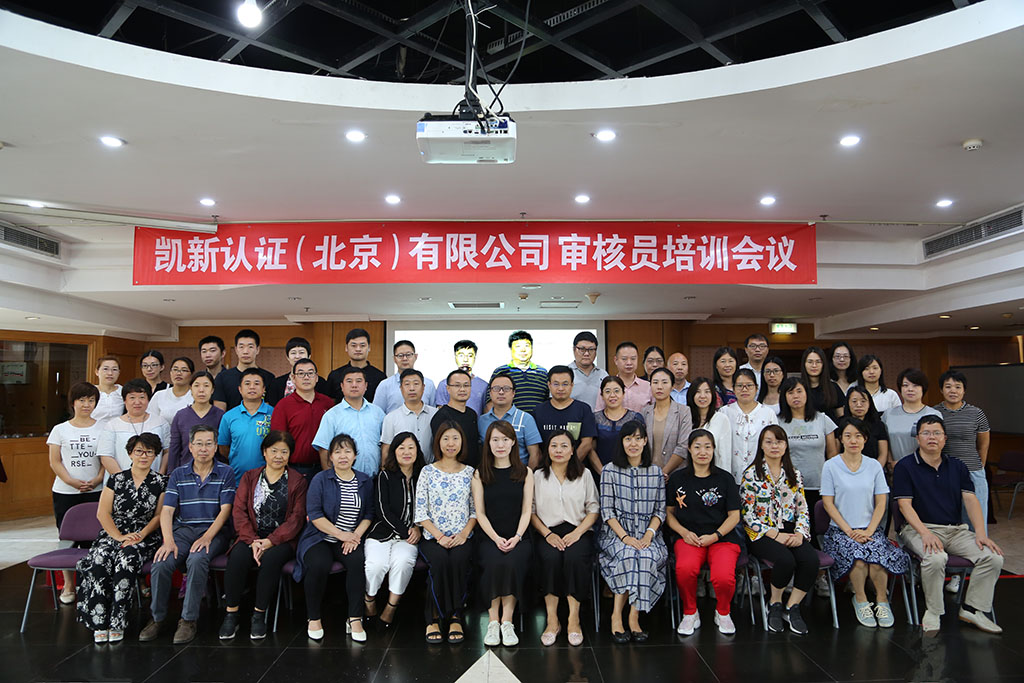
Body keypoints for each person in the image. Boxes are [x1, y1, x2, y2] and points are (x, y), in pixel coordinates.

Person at [893, 415, 1003, 634]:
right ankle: (934, 611)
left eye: (937, 433)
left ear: (944, 438)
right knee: (936, 558)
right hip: (918, 529)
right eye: (926, 433)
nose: (931, 437)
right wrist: (924, 533)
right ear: (918, 438)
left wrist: (980, 533)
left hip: (955, 530)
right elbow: (904, 505)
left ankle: (972, 609)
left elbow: (970, 500)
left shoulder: (957, 466)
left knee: (993, 557)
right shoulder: (905, 466)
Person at [140, 425, 235, 645]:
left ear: (215, 447)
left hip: (214, 532)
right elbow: (167, 511)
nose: (204, 448)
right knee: (162, 562)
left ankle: (188, 620)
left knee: (197, 558)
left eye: (209, 444)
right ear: (190, 447)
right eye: (199, 444)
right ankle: (157, 618)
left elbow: (225, 511)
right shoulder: (178, 474)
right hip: (183, 531)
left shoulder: (226, 472)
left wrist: (207, 537)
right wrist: (168, 541)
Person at [76, 433, 166, 643]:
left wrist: (140, 535)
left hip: (144, 535)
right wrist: (118, 536)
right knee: (100, 559)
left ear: (155, 455)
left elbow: (159, 516)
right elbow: (103, 513)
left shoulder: (161, 481)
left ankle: (117, 621)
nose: (144, 456)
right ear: (130, 454)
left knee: (126, 560)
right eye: (139, 451)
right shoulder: (116, 479)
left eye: (149, 452)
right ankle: (99, 621)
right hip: (114, 533)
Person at [219, 431, 308, 641]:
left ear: (290, 455)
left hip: (282, 539)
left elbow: (296, 518)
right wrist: (253, 541)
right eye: (274, 451)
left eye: (284, 452)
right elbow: (239, 511)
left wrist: (270, 541)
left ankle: (259, 614)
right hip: (251, 536)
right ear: (264, 452)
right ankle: (231, 614)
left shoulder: (298, 481)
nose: (278, 456)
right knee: (238, 557)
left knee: (271, 559)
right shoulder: (250, 477)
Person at [821, 418, 908, 628]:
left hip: (871, 530)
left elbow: (881, 503)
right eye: (848, 436)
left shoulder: (873, 466)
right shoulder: (830, 466)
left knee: (877, 558)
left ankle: (882, 601)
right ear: (841, 439)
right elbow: (828, 504)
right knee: (858, 559)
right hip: (840, 531)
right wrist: (849, 531)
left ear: (865, 439)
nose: (853, 440)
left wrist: (869, 530)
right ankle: (860, 599)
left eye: (858, 436)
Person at [294, 434, 374, 642]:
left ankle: (355, 618)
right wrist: (340, 534)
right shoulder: (320, 479)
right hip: (320, 537)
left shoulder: (364, 481)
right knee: (318, 564)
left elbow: (369, 514)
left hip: (350, 539)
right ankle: (314, 618)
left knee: (357, 562)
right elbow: (314, 514)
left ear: (355, 456)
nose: (343, 456)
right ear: (330, 457)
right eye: (338, 452)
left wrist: (354, 536)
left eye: (347, 451)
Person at [741, 425, 818, 635]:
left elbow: (803, 508)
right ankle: (774, 603)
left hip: (790, 529)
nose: (774, 446)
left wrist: (800, 533)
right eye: (769, 442)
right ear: (761, 446)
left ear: (786, 445)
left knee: (810, 560)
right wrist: (775, 535)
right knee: (785, 560)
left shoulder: (794, 474)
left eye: (779, 442)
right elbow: (747, 514)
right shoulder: (751, 474)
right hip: (761, 532)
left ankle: (792, 606)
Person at [667, 429, 743, 636]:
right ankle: (690, 612)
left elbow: (734, 516)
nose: (703, 452)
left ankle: (723, 612)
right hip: (689, 537)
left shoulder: (725, 479)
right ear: (689, 449)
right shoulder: (677, 479)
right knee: (685, 569)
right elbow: (669, 514)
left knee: (723, 576)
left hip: (722, 538)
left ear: (714, 450)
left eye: (708, 447)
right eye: (697, 447)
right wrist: (684, 532)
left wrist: (716, 535)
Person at [598, 420, 667, 643]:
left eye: (638, 438)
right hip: (616, 535)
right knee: (628, 555)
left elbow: (660, 511)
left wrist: (648, 535)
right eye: (628, 439)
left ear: (645, 441)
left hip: (649, 535)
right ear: (622, 442)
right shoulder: (609, 470)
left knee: (644, 556)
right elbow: (607, 511)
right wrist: (625, 537)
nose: (633, 444)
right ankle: (616, 615)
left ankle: (634, 616)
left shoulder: (656, 472)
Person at [531, 429, 599, 647]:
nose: (558, 450)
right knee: (549, 559)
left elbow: (594, 508)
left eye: (564, 446)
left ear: (572, 451)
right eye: (554, 446)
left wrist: (578, 533)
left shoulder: (584, 474)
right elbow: (530, 511)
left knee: (575, 559)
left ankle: (573, 619)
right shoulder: (537, 476)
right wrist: (547, 534)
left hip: (578, 530)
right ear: (547, 450)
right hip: (547, 531)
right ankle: (552, 620)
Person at [414, 421, 477, 644]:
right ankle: (432, 618)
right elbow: (420, 512)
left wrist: (463, 534)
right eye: (446, 438)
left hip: (462, 536)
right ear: (438, 442)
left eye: (455, 438)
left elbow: (475, 511)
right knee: (439, 562)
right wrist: (439, 536)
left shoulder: (470, 472)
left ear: (462, 442)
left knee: (459, 560)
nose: (451, 443)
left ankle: (456, 616)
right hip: (433, 537)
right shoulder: (427, 471)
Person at [473, 421, 534, 648]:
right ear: (488, 443)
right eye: (495, 440)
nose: (500, 445)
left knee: (512, 562)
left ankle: (507, 622)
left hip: (519, 536)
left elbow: (527, 510)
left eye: (505, 440)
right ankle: (493, 622)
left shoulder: (525, 472)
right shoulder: (480, 473)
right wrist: (496, 538)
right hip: (489, 536)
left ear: (513, 442)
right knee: (493, 562)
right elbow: (480, 512)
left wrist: (517, 537)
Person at [47, 382, 105, 604]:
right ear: (73, 403)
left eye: (91, 400)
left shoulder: (103, 428)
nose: (86, 404)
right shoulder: (60, 429)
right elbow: (55, 461)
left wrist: (98, 479)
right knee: (67, 538)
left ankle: (91, 583)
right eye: (82, 400)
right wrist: (71, 481)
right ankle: (69, 585)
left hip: (96, 490)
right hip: (65, 492)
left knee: (94, 538)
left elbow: (106, 458)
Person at [364, 432, 424, 627]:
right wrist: (406, 530)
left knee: (403, 562)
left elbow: (427, 508)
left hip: (410, 537)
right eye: (401, 448)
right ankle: (369, 599)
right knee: (376, 565)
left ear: (417, 451)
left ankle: (391, 607)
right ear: (394, 452)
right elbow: (382, 510)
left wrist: (418, 528)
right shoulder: (385, 475)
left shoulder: (423, 476)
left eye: (411, 448)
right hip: (382, 533)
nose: (406, 452)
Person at [778, 377, 838, 543]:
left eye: (799, 391)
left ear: (807, 394)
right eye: (790, 392)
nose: (795, 396)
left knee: (817, 531)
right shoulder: (778, 422)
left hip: (819, 485)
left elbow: (832, 454)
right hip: (789, 487)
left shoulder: (822, 419)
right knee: (793, 532)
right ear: (784, 396)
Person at [935, 369, 991, 533]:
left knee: (976, 520)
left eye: (958, 387)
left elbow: (984, 444)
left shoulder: (976, 413)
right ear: (941, 390)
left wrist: (980, 465)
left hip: (973, 471)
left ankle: (979, 548)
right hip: (945, 472)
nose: (953, 391)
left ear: (964, 390)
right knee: (949, 520)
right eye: (948, 386)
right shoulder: (934, 413)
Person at [312, 366, 386, 477]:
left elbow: (385, 444)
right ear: (342, 386)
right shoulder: (332, 415)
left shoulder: (378, 412)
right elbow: (324, 449)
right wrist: (331, 477)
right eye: (349, 381)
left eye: (359, 381)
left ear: (366, 386)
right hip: (343, 479)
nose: (354, 385)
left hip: (375, 478)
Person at [269, 358, 333, 478]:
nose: (306, 377)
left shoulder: (327, 403)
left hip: (325, 467)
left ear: (316, 378)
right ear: (293, 378)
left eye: (310, 373)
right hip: (295, 469)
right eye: (301, 373)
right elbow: (278, 440)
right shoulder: (283, 405)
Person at [98, 379, 170, 476]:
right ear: (124, 400)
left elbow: (167, 451)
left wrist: (159, 475)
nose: (137, 402)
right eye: (132, 398)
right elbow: (106, 456)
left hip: (154, 480)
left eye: (142, 397)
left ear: (148, 399)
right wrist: (123, 479)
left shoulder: (160, 422)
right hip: (120, 481)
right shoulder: (112, 425)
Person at [722, 368, 779, 483]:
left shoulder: (768, 413)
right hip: (731, 477)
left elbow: (775, 444)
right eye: (740, 386)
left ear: (756, 388)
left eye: (749, 385)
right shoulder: (724, 413)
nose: (744, 389)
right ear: (733, 388)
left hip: (761, 478)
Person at [218, 368, 274, 485]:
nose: (252, 387)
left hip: (268, 479)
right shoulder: (229, 416)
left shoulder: (274, 414)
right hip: (237, 479)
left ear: (264, 389)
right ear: (240, 389)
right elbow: (223, 447)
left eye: (257, 383)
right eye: (247, 383)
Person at [531, 365, 597, 462]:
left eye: (565, 384)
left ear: (572, 385)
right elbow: (536, 447)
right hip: (546, 468)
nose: (561, 388)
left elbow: (586, 443)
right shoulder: (538, 411)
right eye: (556, 384)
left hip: (576, 468)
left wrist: (570, 465)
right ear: (549, 385)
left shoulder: (583, 409)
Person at [478, 373, 543, 467]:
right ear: (490, 393)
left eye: (506, 388)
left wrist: (528, 474)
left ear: (513, 393)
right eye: (496, 388)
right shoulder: (481, 420)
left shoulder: (526, 419)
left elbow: (535, 454)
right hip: (489, 473)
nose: (501, 392)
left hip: (520, 473)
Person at [167, 371, 223, 472]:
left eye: (206, 386)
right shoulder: (181, 416)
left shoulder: (221, 416)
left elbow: (223, 448)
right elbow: (174, 448)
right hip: (185, 472)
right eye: (196, 386)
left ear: (212, 390)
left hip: (214, 473)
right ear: (191, 389)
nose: (201, 390)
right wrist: (171, 473)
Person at [640, 367, 692, 476]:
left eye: (664, 382)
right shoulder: (644, 412)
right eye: (655, 382)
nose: (659, 386)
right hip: (648, 475)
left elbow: (683, 446)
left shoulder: (684, 411)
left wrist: (664, 473)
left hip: (676, 475)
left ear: (672, 386)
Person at [882, 368, 940, 465]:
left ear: (923, 388)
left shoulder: (933, 414)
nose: (910, 389)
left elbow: (937, 445)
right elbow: (883, 443)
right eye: (905, 385)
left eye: (915, 385)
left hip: (924, 467)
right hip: (895, 466)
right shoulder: (888, 414)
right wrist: (890, 462)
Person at [380, 368, 437, 463]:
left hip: (430, 469)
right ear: (401, 388)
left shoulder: (435, 414)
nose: (412, 388)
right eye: (407, 384)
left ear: (423, 387)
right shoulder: (391, 418)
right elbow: (386, 448)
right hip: (402, 469)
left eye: (416, 384)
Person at [212, 330, 275, 411]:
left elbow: (269, 409)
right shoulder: (222, 377)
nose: (245, 351)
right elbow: (219, 410)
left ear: (258, 349)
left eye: (250, 347)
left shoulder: (269, 377)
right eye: (241, 347)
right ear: (236, 350)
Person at [590, 376, 643, 473]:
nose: (612, 395)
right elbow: (590, 449)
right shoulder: (594, 418)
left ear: (623, 393)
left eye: (616, 391)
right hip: (600, 472)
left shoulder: (635, 418)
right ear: (602, 395)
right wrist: (604, 473)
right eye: (607, 391)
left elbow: (640, 448)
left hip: (629, 473)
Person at [488, 330, 548, 413]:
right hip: (509, 420)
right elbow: (490, 402)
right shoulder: (501, 372)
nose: (523, 350)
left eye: (527, 346)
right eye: (518, 346)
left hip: (538, 420)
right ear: (511, 349)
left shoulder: (543, 373)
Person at [431, 369, 481, 467]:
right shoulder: (441, 417)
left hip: (472, 470)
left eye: (466, 385)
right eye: (457, 385)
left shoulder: (472, 414)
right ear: (448, 388)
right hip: (451, 471)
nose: (462, 389)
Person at [374, 340, 437, 414]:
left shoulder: (429, 384)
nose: (404, 359)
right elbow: (377, 413)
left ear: (415, 356)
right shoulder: (385, 385)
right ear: (394, 359)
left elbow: (433, 413)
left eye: (408, 355)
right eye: (400, 355)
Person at [326, 327, 386, 403]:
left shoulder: (380, 377)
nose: (358, 349)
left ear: (369, 348)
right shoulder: (335, 376)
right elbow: (329, 402)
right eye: (353, 345)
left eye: (362, 345)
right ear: (346, 348)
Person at [266, 336, 329, 406]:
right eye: (293, 353)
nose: (297, 356)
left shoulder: (320, 382)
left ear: (309, 356)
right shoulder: (277, 383)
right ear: (287, 357)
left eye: (301, 352)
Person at [687, 377, 732, 473]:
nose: (702, 396)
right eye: (698, 392)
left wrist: (724, 477)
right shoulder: (685, 418)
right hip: (688, 473)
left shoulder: (721, 419)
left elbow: (725, 455)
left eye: (707, 392)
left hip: (714, 473)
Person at [433, 339, 488, 414]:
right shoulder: (444, 384)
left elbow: (486, 412)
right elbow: (441, 411)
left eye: (470, 356)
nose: (465, 360)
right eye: (461, 355)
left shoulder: (484, 386)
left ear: (475, 358)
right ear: (455, 357)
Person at [596, 342, 651, 412]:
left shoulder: (648, 387)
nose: (629, 363)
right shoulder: (607, 386)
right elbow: (598, 413)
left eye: (633, 359)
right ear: (616, 360)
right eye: (624, 359)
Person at [841, 386, 890, 465]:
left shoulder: (878, 425)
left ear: (869, 403)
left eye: (863, 401)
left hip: (873, 468)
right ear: (848, 403)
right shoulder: (840, 424)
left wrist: (875, 470)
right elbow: (836, 452)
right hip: (846, 468)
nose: (859, 405)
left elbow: (883, 454)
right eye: (854, 401)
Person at [568, 331, 608, 410]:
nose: (586, 354)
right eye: (582, 349)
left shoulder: (603, 375)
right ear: (574, 349)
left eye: (591, 349)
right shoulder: (565, 374)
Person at [148, 356, 195, 424]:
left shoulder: (196, 396)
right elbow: (150, 420)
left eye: (184, 370)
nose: (178, 373)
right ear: (170, 372)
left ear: (192, 374)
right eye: (175, 369)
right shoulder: (159, 395)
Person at [802, 346, 843, 422]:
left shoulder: (833, 387)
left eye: (818, 362)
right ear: (804, 364)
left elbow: (841, 416)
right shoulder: (799, 389)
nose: (814, 365)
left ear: (823, 364)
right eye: (810, 362)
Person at [91, 356, 123, 423]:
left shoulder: (124, 392)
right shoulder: (89, 392)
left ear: (119, 372)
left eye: (114, 369)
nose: (110, 373)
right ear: (97, 372)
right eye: (105, 369)